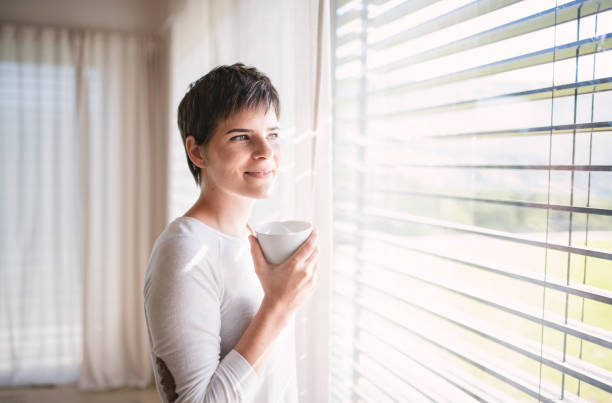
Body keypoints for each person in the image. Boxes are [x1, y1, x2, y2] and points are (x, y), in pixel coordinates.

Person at [143, 63, 320, 402]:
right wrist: (278, 306)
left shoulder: (254, 239)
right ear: (197, 152)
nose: (266, 151)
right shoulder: (183, 252)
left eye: (272, 134)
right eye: (241, 136)